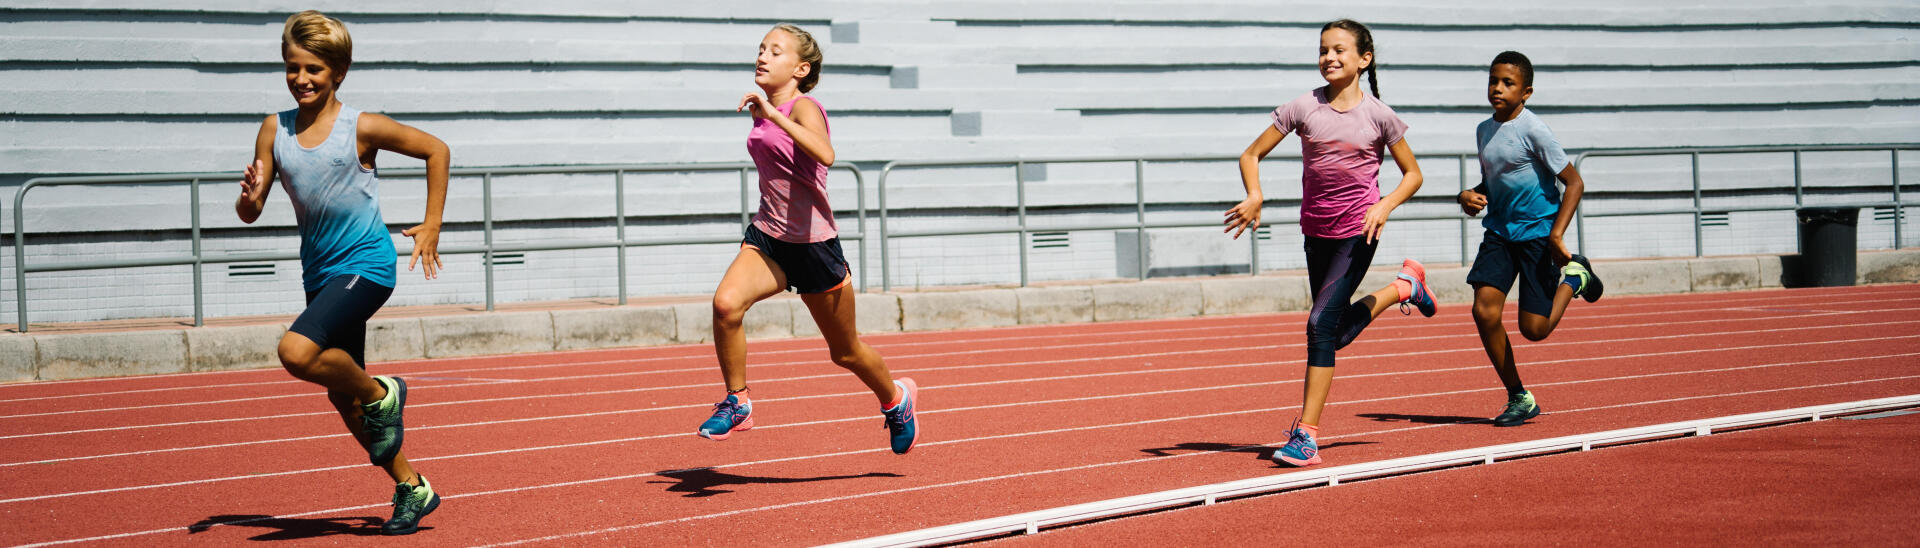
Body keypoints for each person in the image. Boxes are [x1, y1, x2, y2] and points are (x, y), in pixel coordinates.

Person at [234, 10, 449, 535]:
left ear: (338, 73)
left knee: (296, 352)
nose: (301, 79)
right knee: (340, 397)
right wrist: (248, 198)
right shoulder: (273, 129)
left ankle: (383, 392)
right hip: (321, 273)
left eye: (313, 69)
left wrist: (432, 224)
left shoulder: (362, 127)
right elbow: (251, 211)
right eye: (292, 68)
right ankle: (412, 488)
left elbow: (435, 150)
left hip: (368, 265)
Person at [696, 23, 920, 455]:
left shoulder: (805, 108)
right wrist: (767, 114)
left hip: (815, 247)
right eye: (761, 49)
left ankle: (896, 401)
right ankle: (738, 402)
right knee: (726, 304)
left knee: (846, 352)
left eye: (775, 52)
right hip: (769, 237)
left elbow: (827, 154)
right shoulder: (766, 110)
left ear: (800, 68)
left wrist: (774, 114)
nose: (762, 56)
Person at [1224, 19, 1435, 467]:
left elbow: (1413, 174)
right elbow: (1251, 153)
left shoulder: (1379, 115)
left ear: (1364, 59)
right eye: (1323, 50)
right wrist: (1255, 194)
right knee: (1331, 332)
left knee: (1319, 327)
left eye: (1339, 49)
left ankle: (1306, 435)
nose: (1329, 57)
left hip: (1359, 232)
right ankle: (1403, 287)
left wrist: (1385, 205)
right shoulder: (1303, 107)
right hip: (1314, 232)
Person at [1457, 50, 1605, 427]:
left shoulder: (1534, 130)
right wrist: (1469, 195)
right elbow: (1495, 182)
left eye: (1507, 83)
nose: (1497, 88)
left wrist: (1557, 234)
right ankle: (1518, 397)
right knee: (1484, 311)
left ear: (1526, 92)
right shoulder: (1483, 130)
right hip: (1500, 234)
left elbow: (1574, 182)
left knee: (1534, 330)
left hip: (1539, 235)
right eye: (1493, 80)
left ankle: (1575, 278)